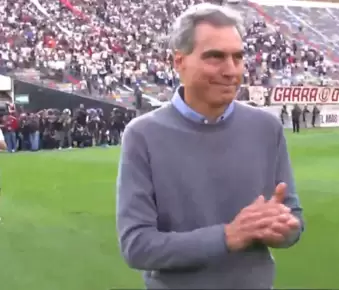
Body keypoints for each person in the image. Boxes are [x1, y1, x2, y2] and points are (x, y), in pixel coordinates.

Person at [116, 3, 304, 289]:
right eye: (215, 57)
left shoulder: (266, 128)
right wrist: (228, 236)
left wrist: (282, 228)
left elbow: (293, 220)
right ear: (179, 62)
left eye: (238, 57)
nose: (231, 70)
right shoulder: (143, 135)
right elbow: (137, 246)